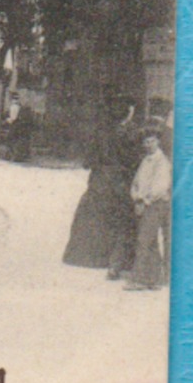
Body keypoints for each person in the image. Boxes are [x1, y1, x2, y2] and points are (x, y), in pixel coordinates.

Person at [64, 96, 142, 273]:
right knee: (122, 220)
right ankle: (118, 261)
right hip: (120, 181)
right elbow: (134, 161)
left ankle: (87, 258)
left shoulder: (100, 132)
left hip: (99, 182)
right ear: (128, 112)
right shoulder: (130, 133)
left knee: (92, 218)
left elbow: (87, 162)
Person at [126, 125, 172, 291]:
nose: (148, 145)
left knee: (144, 240)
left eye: (151, 141)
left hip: (156, 205)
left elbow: (160, 187)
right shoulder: (145, 160)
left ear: (158, 142)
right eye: (146, 142)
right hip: (143, 203)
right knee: (150, 242)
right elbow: (136, 182)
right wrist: (136, 197)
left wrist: (145, 201)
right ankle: (153, 279)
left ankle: (139, 279)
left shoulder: (162, 162)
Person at [3, 94, 35, 163]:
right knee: (17, 142)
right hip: (21, 128)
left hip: (16, 127)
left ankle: (12, 156)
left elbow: (13, 118)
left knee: (12, 141)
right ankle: (15, 156)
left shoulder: (14, 107)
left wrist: (8, 120)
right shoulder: (22, 108)